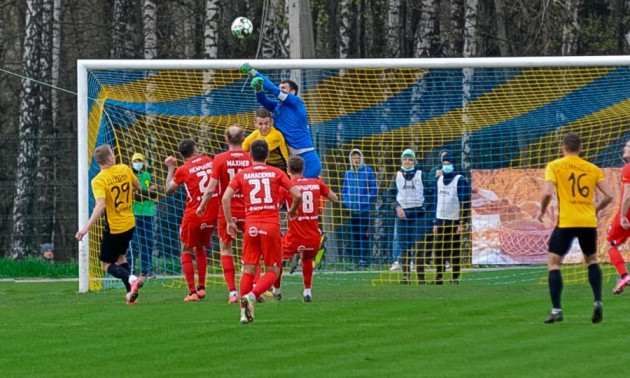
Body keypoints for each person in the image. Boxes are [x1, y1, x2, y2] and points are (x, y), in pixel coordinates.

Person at [537, 132, 613, 324]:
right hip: (588, 221)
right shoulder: (592, 168)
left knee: (554, 262)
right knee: (592, 260)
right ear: (581, 148)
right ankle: (597, 301)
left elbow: (546, 193)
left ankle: (556, 309)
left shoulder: (555, 166)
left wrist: (542, 210)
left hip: (566, 221)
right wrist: (595, 210)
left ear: (563, 148)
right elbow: (610, 195)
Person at [222, 139, 302, 324]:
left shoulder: (242, 174)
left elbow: (226, 198)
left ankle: (243, 312)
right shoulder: (276, 172)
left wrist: (229, 222)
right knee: (273, 270)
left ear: (250, 155)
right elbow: (296, 194)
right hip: (270, 225)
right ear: (267, 155)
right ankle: (252, 295)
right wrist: (292, 210)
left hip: (250, 226)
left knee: (248, 269)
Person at [75, 144, 144, 305]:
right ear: (110, 157)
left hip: (115, 227)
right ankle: (130, 294)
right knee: (121, 257)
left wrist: (85, 228)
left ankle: (131, 278)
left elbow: (100, 206)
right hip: (129, 223)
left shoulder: (98, 180)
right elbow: (138, 187)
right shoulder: (125, 169)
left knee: (106, 264)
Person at [197, 125, 253, 303]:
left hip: (227, 210)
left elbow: (211, 188)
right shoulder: (250, 158)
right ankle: (252, 289)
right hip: (247, 209)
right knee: (252, 249)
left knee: (225, 249)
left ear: (226, 139)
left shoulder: (219, 158)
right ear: (243, 138)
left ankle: (232, 293)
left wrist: (202, 205)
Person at [273, 156, 339, 302]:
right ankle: (307, 291)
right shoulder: (316, 183)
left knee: (277, 259)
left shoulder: (287, 186)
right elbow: (334, 198)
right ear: (304, 169)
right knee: (307, 259)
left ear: (288, 170)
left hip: (294, 235)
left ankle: (276, 290)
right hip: (312, 235)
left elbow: (276, 207)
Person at [240, 63, 322, 178]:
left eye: (283, 88)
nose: (280, 90)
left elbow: (272, 89)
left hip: (308, 160)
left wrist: (253, 72)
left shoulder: (296, 103)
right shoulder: (278, 106)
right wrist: (258, 89)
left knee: (302, 191)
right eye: (280, 88)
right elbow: (263, 100)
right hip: (293, 160)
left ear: (292, 92)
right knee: (293, 193)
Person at [165, 138, 219, 302]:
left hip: (194, 213)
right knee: (201, 247)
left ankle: (191, 292)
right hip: (211, 213)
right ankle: (202, 288)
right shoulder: (210, 161)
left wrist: (170, 169)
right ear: (195, 149)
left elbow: (168, 189)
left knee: (186, 249)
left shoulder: (183, 169)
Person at [388, 149, 428, 284]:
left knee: (419, 246)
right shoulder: (397, 175)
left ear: (414, 161)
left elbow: (431, 192)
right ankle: (406, 276)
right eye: (405, 159)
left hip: (418, 214)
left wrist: (425, 207)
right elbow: (389, 196)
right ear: (401, 161)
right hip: (402, 215)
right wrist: (397, 207)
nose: (407, 161)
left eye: (410, 159)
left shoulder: (421, 175)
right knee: (404, 247)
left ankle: (421, 278)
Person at [432, 153, 470, 285]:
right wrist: (435, 221)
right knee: (439, 249)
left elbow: (465, 202)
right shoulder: (438, 179)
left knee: (454, 250)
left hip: (454, 220)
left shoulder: (460, 180)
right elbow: (435, 200)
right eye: (444, 164)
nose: (446, 166)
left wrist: (462, 222)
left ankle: (454, 278)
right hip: (441, 220)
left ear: (453, 165)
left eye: (449, 164)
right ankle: (439, 277)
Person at [341, 149, 377, 266]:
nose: (355, 160)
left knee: (364, 234)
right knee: (355, 234)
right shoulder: (348, 174)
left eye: (357, 158)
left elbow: (373, 188)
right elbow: (344, 191)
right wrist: (348, 203)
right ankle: (357, 259)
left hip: (364, 210)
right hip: (353, 210)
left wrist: (365, 200)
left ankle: (365, 259)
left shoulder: (368, 171)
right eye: (353, 158)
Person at [606, 139, 630, 294]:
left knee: (610, 244)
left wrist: (622, 216)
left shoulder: (628, 168)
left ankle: (624, 275)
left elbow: (628, 195)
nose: (625, 147)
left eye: (628, 146)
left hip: (628, 212)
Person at [130, 152, 157, 278]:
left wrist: (141, 193)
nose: (138, 163)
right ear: (131, 162)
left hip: (148, 213)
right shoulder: (129, 176)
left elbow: (154, 193)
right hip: (134, 213)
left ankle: (147, 270)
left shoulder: (147, 175)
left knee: (148, 241)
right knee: (133, 242)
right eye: (136, 161)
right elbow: (132, 195)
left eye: (140, 161)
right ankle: (131, 269)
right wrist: (146, 193)